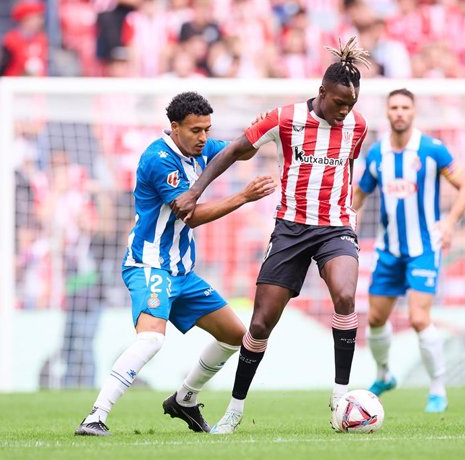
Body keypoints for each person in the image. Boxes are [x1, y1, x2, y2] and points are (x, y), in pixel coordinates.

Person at [171, 36, 371, 434]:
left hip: (335, 227)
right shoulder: (284, 119)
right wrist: (196, 191)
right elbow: (232, 151)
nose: (344, 112)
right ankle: (235, 409)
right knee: (260, 324)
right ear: (321, 93)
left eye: (351, 105)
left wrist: (345, 211)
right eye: (338, 104)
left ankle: (340, 397)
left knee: (346, 296)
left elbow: (346, 169)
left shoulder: (357, 126)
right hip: (291, 229)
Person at [74, 92, 275, 436]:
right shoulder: (159, 160)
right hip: (149, 265)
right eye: (196, 130)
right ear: (175, 127)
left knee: (235, 336)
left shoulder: (200, 147)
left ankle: (184, 398)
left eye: (207, 130)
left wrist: (266, 129)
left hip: (182, 271)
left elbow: (237, 151)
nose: (203, 138)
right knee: (151, 340)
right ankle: (96, 415)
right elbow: (191, 215)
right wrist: (243, 196)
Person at [353, 88, 465, 413]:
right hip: (389, 250)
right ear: (387, 112)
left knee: (419, 318)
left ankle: (438, 388)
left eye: (405, 107)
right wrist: (348, 225)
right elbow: (359, 195)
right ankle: (385, 373)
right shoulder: (377, 154)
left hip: (424, 248)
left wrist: (448, 223)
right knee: (376, 319)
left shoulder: (432, 150)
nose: (400, 112)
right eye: (394, 107)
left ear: (414, 111)